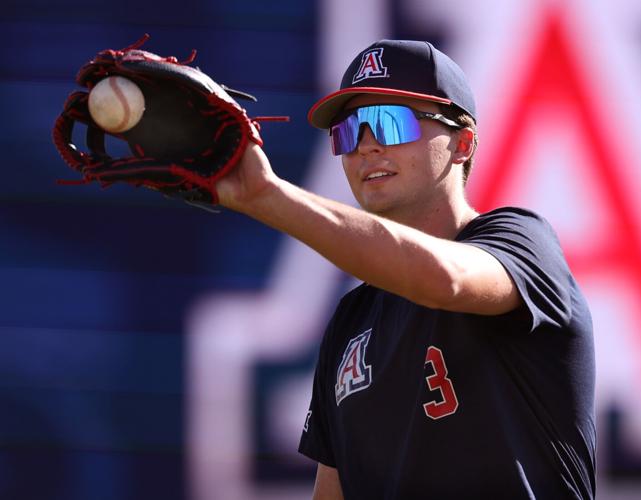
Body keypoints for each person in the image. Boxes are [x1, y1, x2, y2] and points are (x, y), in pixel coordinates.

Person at [216, 39, 596, 499]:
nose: (366, 147)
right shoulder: (350, 322)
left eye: (389, 122)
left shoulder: (523, 243)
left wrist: (266, 196)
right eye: (348, 132)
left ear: (462, 143)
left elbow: (444, 279)